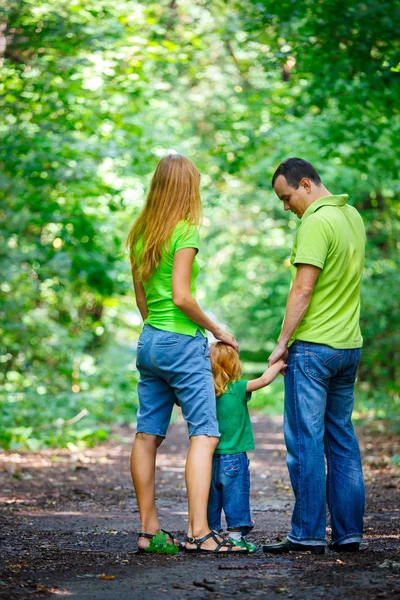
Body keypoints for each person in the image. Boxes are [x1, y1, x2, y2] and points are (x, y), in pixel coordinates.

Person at [127, 154, 247, 554]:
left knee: (147, 435)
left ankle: (149, 532)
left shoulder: (141, 233)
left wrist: (156, 335)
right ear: (187, 187)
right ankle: (201, 533)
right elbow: (182, 296)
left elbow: (143, 301)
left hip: (149, 341)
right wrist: (217, 330)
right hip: (180, 341)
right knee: (206, 433)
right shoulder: (186, 231)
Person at [263, 157, 366, 555]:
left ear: (305, 184)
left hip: (313, 349)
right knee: (341, 438)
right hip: (348, 347)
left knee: (305, 441)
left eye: (287, 198)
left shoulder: (315, 223)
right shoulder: (352, 215)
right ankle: (348, 533)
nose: (286, 207)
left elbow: (303, 289)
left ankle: (306, 533)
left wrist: (282, 341)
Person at [207, 342, 285, 553]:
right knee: (236, 496)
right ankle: (235, 539)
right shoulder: (238, 388)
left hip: (206, 457)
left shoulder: (204, 393)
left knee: (210, 498)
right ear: (233, 366)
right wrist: (280, 362)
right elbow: (265, 379)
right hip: (234, 458)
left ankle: (211, 536)